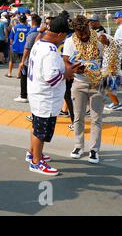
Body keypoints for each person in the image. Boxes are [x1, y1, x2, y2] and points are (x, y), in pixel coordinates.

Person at [27, 16, 78, 176]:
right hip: (45, 98)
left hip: (37, 93)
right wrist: (67, 73)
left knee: (36, 126)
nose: (65, 38)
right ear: (60, 34)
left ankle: (33, 153)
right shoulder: (50, 51)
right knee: (41, 132)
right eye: (65, 35)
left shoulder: (39, 42)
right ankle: (36, 162)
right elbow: (52, 78)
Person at [63, 15, 110, 164]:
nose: (83, 37)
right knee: (78, 117)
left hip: (98, 82)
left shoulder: (100, 38)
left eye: (85, 34)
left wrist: (108, 43)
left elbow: (110, 57)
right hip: (79, 83)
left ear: (89, 28)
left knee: (96, 118)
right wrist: (74, 69)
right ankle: (78, 146)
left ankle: (94, 150)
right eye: (80, 34)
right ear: (75, 31)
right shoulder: (70, 41)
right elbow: (66, 60)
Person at [14, 14, 42, 104]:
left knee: (24, 77)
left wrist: (22, 61)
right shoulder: (42, 32)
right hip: (38, 59)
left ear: (33, 22)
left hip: (29, 59)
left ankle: (23, 95)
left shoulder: (32, 33)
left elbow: (27, 48)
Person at [103, 12, 122, 111]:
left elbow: (117, 45)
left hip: (114, 59)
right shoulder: (120, 28)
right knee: (118, 80)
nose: (114, 19)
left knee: (107, 81)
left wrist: (107, 41)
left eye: (116, 17)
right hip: (116, 58)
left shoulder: (121, 29)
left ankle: (116, 103)